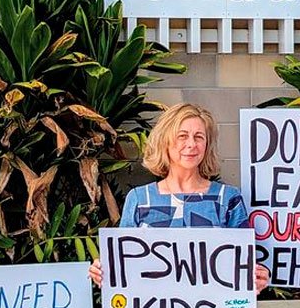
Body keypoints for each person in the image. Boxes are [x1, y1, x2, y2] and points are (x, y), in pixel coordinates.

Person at [88, 102, 270, 292]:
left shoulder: (228, 199)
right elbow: (122, 266)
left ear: (207, 145)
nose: (191, 144)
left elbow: (245, 265)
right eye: (182, 136)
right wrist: (103, 272)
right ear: (165, 141)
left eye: (199, 137)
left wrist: (257, 278)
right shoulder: (139, 199)